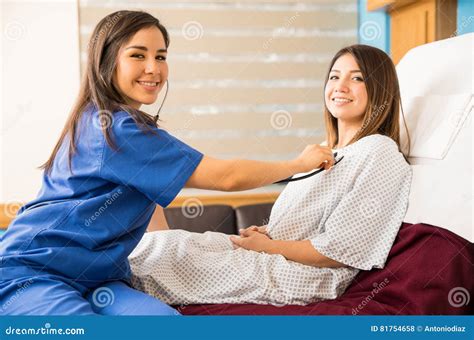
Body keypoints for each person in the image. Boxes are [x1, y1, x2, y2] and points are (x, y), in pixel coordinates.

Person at [0, 11, 335, 315]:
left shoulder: (114, 123)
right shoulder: (115, 129)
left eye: (160, 56)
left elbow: (145, 196)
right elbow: (227, 177)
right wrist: (298, 162)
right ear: (106, 62)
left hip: (100, 278)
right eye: (137, 55)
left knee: (166, 325)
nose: (153, 68)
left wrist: (176, 251)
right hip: (33, 273)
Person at [128, 44, 413, 306]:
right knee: (168, 243)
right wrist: (266, 233)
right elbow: (306, 222)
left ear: (380, 89)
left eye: (357, 78)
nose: (341, 86)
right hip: (275, 254)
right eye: (335, 77)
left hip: (305, 275)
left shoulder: (379, 152)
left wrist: (270, 246)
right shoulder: (325, 152)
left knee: (165, 260)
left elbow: (340, 250)